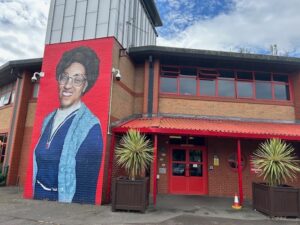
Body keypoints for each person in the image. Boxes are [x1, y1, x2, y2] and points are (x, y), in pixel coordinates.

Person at [33, 46, 103, 204]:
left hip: (63, 206)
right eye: (64, 77)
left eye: (77, 80)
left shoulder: (91, 127)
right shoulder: (47, 119)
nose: (68, 85)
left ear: (85, 85)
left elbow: (87, 190)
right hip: (37, 202)